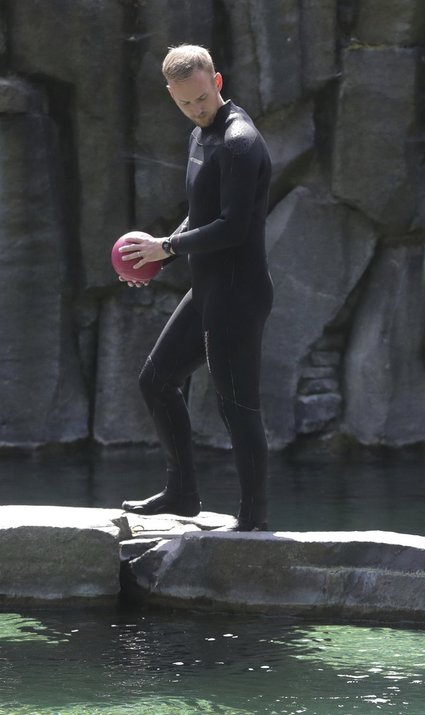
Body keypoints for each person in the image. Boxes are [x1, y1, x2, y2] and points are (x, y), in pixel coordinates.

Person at [118, 44, 274, 531]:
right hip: (209, 288)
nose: (196, 108)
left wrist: (169, 245)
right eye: (185, 102)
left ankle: (252, 524)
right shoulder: (200, 135)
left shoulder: (239, 141)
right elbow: (203, 215)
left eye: (202, 98)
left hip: (238, 293)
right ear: (172, 96)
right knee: (156, 380)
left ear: (218, 81)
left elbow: (233, 226)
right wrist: (158, 253)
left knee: (237, 406)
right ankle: (182, 494)